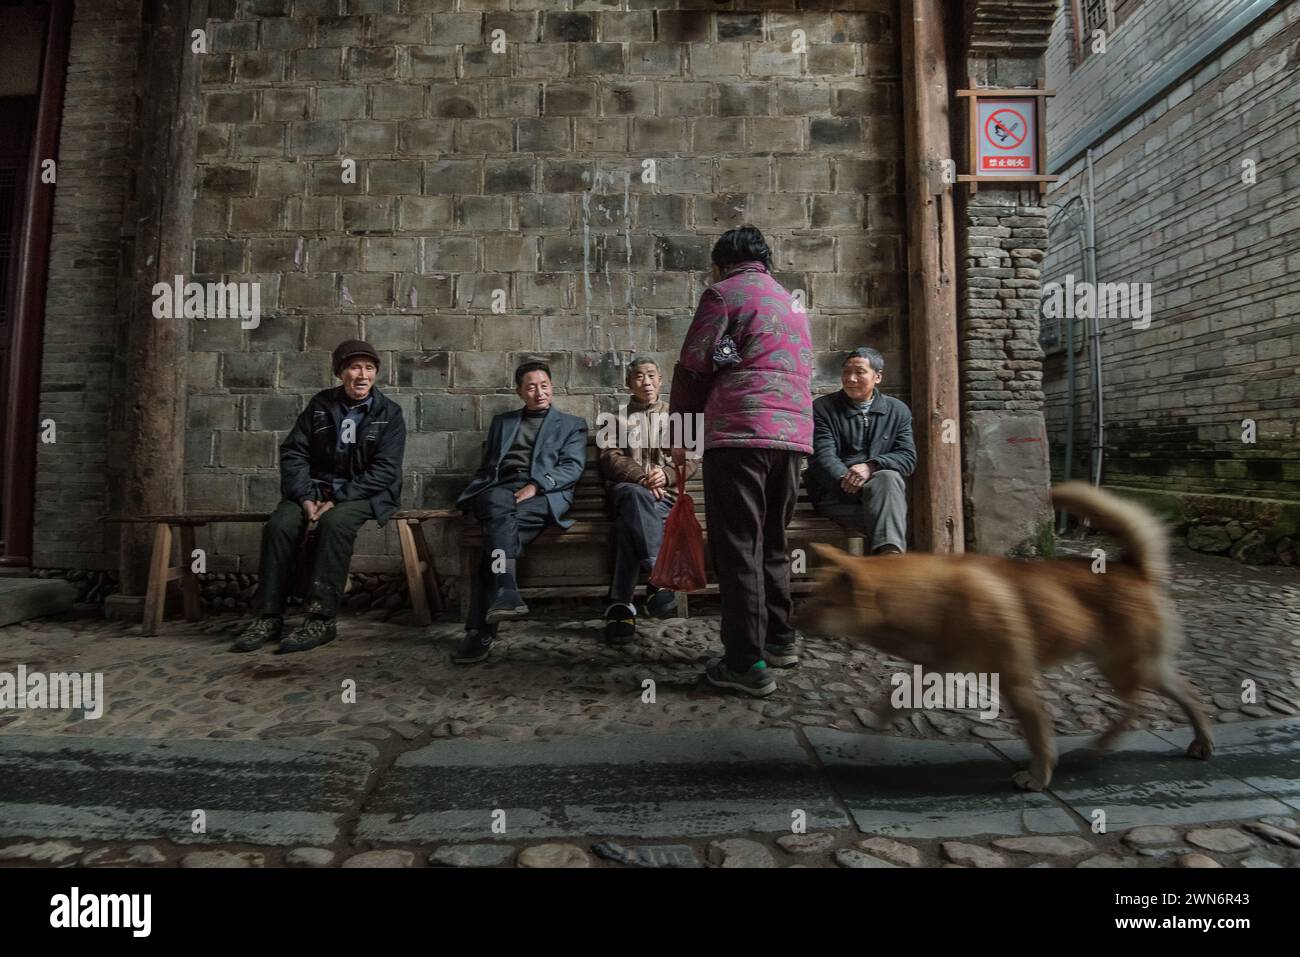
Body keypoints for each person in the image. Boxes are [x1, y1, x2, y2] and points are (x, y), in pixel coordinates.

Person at [669, 225, 813, 697]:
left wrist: (680, 437)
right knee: (773, 540)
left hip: (740, 436)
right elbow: (753, 358)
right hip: (791, 438)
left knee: (738, 549)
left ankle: (745, 664)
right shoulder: (793, 304)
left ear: (720, 263)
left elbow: (694, 366)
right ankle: (780, 639)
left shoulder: (722, 294)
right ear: (765, 262)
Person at [232, 339, 406, 654]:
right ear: (340, 372)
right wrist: (304, 495)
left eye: (369, 368)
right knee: (280, 525)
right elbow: (294, 452)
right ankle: (269, 616)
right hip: (316, 488)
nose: (362, 375)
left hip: (364, 491)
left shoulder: (389, 413)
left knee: (335, 524)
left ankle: (321, 618)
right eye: (354, 367)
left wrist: (338, 498)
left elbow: (385, 471)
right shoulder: (321, 405)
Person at [452, 360, 588, 664]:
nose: (539, 392)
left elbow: (572, 468)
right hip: (501, 492)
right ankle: (505, 591)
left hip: (544, 495)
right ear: (519, 391)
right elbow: (490, 467)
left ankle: (481, 629)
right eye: (531, 386)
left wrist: (537, 486)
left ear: (552, 387)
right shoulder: (503, 422)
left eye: (544, 385)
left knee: (495, 537)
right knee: (498, 507)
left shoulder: (572, 424)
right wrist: (484, 490)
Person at [597, 356, 698, 644]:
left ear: (661, 380)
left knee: (626, 526)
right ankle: (657, 575)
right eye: (639, 376)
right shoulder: (613, 419)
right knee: (632, 496)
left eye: (652, 375)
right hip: (628, 491)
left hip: (664, 497)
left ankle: (620, 605)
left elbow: (690, 460)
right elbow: (610, 460)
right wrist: (641, 478)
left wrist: (665, 475)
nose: (647, 381)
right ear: (629, 383)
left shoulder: (679, 417)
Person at [806, 347, 915, 554]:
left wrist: (870, 466)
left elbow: (907, 457)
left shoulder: (897, 410)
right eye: (846, 372)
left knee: (887, 477)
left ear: (878, 377)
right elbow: (822, 457)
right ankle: (890, 560)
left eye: (859, 372)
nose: (851, 378)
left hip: (882, 495)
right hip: (838, 497)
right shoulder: (822, 408)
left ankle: (886, 559)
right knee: (889, 513)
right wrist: (849, 482)